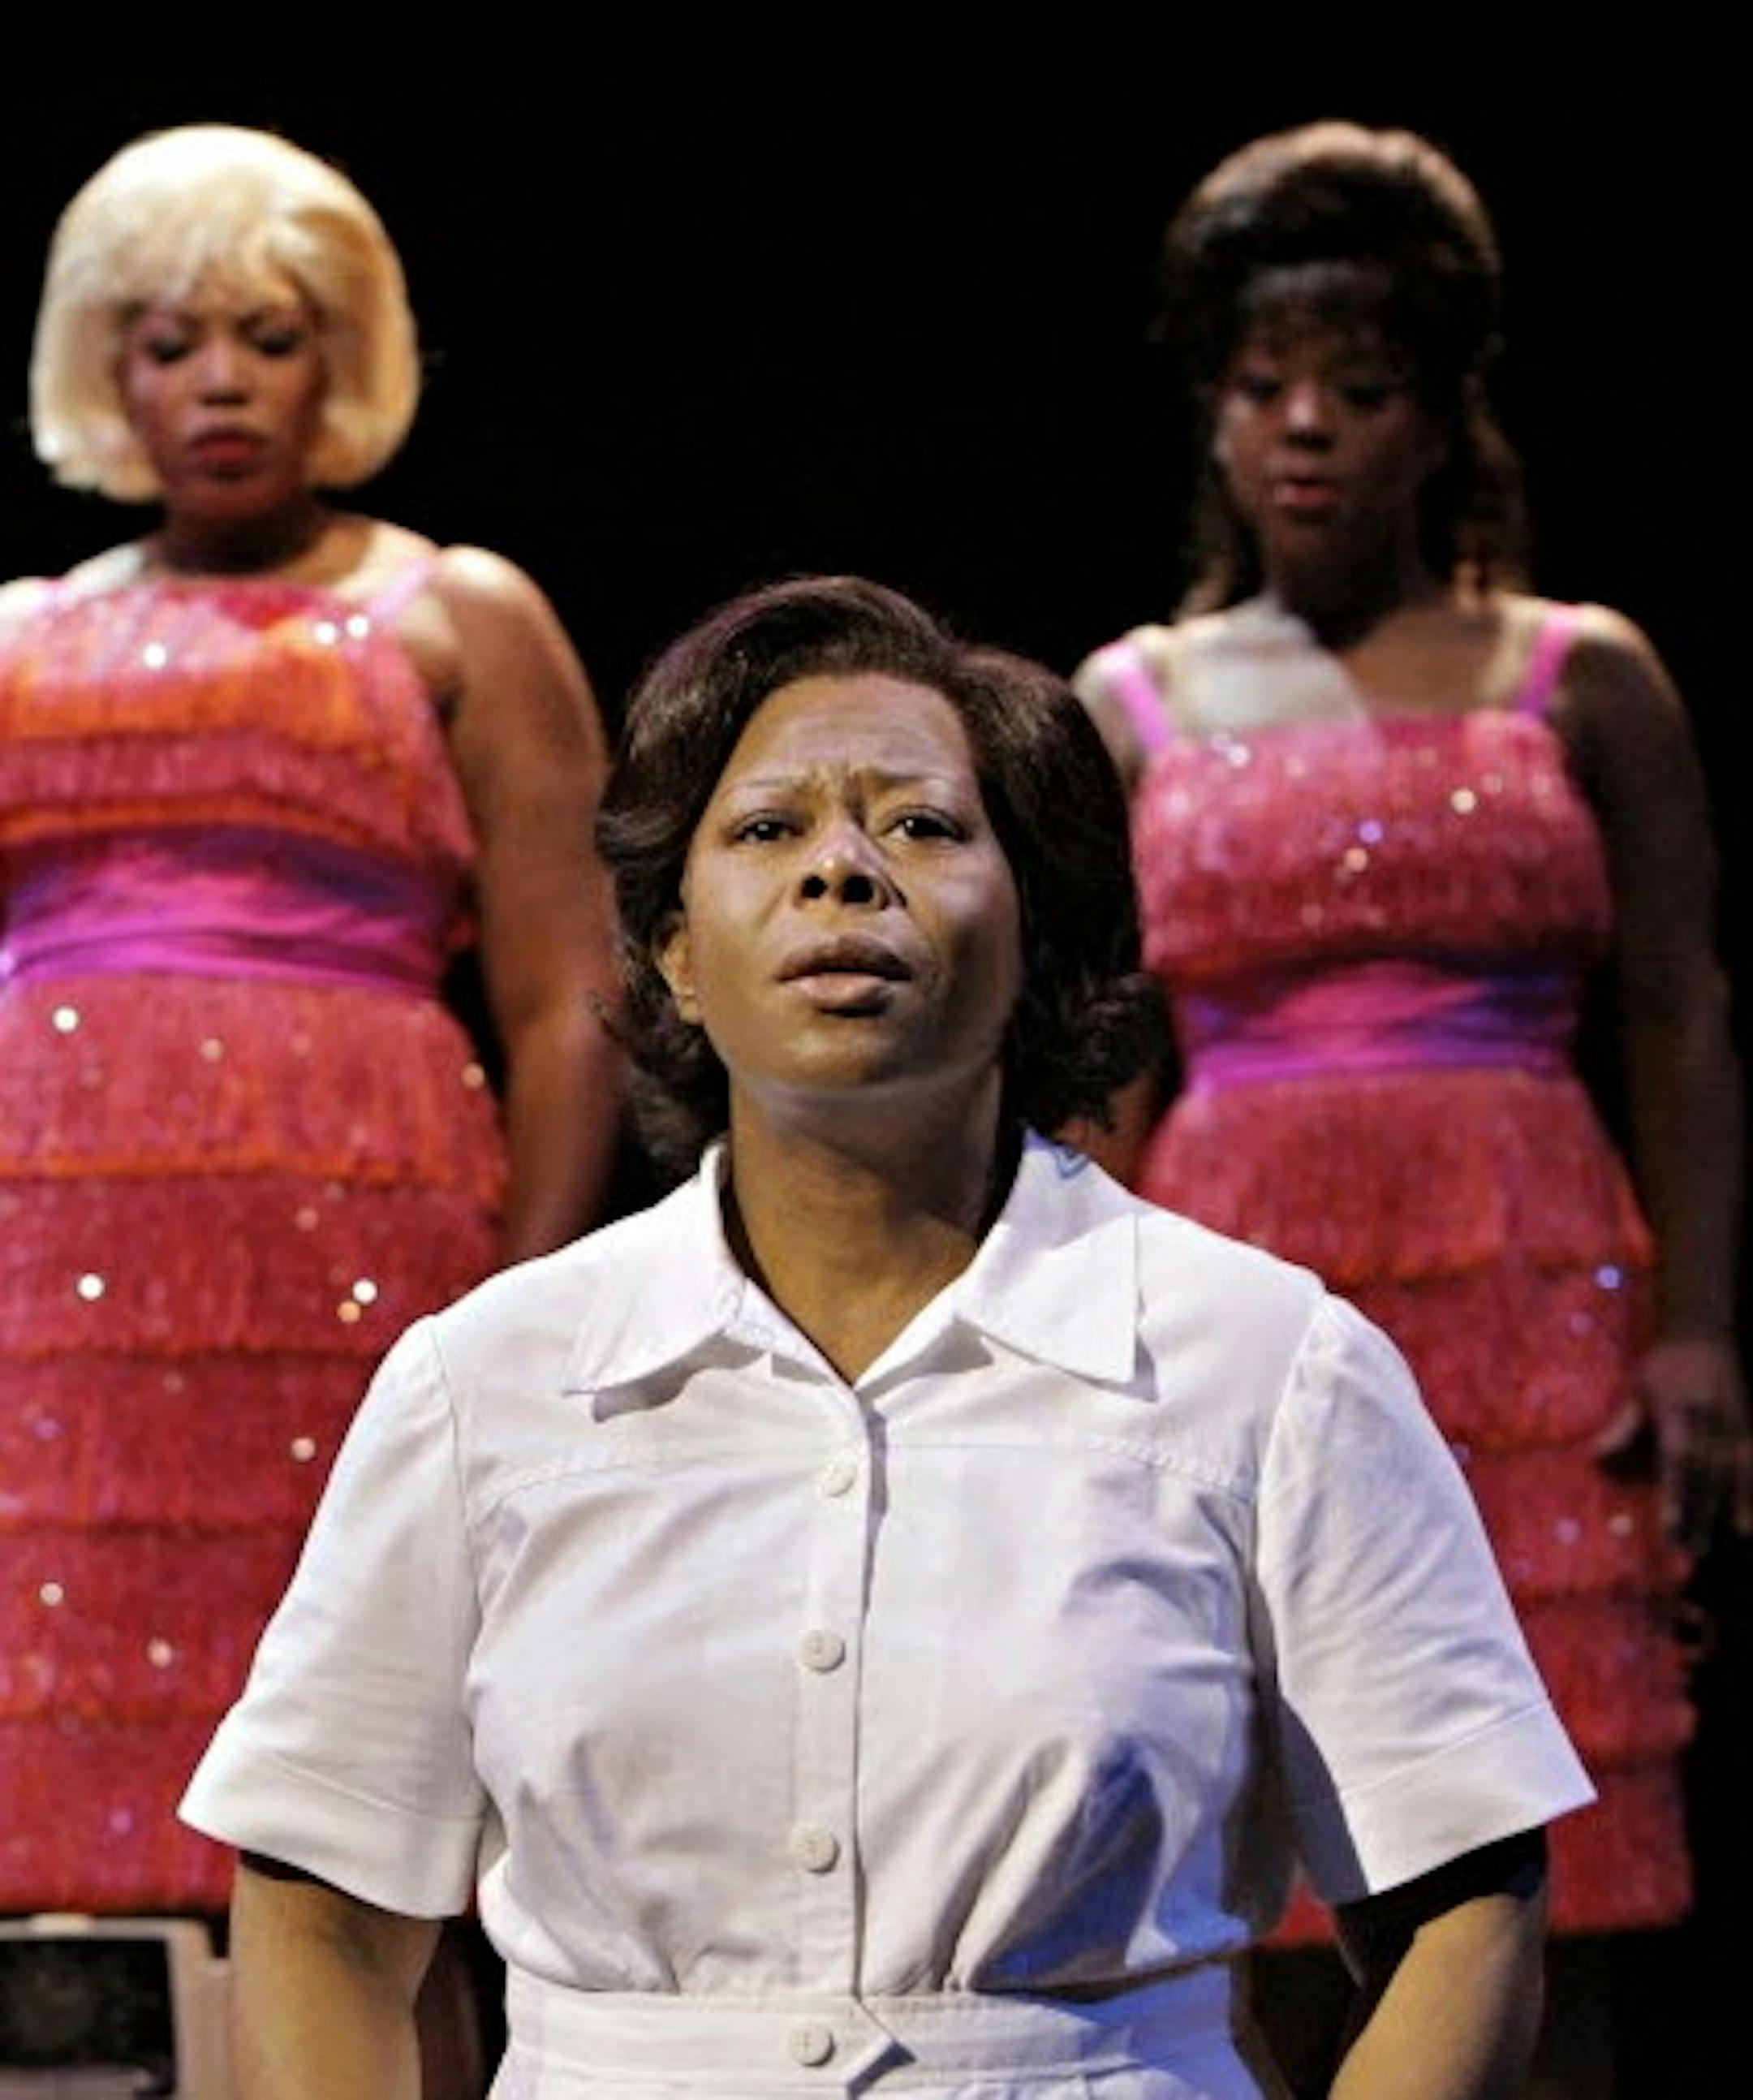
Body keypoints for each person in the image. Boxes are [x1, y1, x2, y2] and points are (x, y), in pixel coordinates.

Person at [182, 574, 1593, 2097]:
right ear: (670, 947)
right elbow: (322, 1907)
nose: (842, 872)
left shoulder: (1266, 1366)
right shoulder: (490, 1381)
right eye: (769, 830)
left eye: (919, 827)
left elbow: (1461, 1901)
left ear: (1036, 925)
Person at [1074, 122, 1750, 2087]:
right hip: (1239, 1273)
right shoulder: (1136, 698)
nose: (1307, 431)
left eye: (1358, 393)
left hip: (1534, 1288)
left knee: (1546, 1837)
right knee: (1260, 1824)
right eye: (1262, 388)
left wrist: (1699, 1323)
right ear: (1208, 415)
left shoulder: (1579, 676)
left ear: (1443, 416)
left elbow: (1684, 1015)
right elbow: (1100, 1064)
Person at [0, 120, 619, 2037]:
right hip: (48, 1296)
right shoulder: (20, 634)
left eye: (267, 337)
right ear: (107, 365)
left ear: (338, 356)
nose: (218, 384)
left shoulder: (459, 613)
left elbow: (572, 1001)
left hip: (360, 1269)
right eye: (172, 340)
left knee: (364, 1752)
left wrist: (520, 1311)